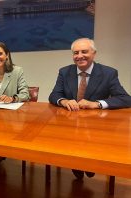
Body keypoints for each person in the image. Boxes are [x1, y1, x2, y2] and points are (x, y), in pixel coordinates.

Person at [49, 38, 131, 179]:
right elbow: (54, 95)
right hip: (71, 126)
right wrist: (64, 101)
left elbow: (126, 98)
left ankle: (87, 163)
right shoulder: (64, 72)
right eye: (76, 53)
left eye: (84, 52)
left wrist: (97, 104)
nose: (79, 56)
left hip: (96, 127)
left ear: (94, 53)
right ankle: (78, 163)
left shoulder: (108, 73)